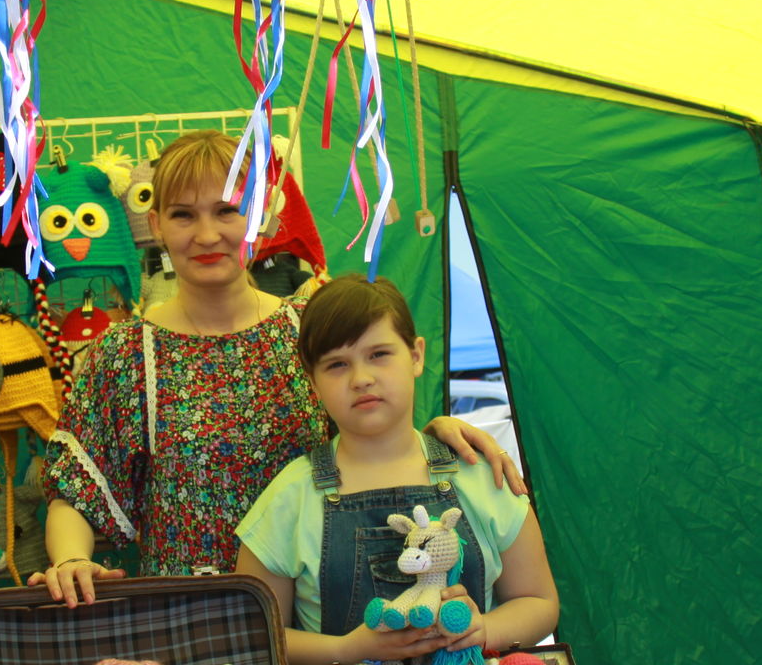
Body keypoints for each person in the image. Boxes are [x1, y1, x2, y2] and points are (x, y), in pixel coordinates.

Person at [37, 129, 522, 605]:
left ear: (258, 215)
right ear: (157, 224)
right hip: (188, 619)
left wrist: (435, 434)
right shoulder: (124, 354)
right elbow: (77, 485)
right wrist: (70, 560)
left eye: (226, 210)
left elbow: (376, 431)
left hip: (319, 619)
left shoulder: (311, 330)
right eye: (184, 214)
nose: (207, 234)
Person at [235, 274, 558, 665]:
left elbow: (539, 602)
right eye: (337, 365)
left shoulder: (478, 474)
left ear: (416, 355)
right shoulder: (290, 497)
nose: (361, 379)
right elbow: (252, 635)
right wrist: (347, 649)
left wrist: (485, 629)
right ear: (313, 382)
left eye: (379, 354)